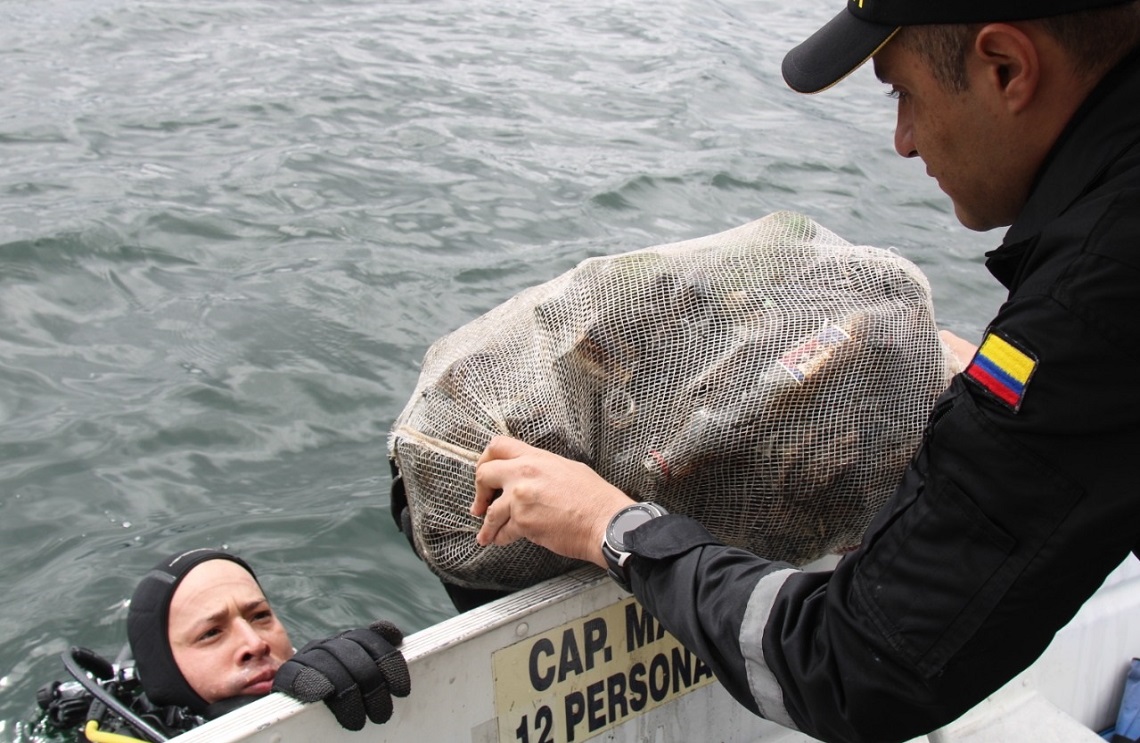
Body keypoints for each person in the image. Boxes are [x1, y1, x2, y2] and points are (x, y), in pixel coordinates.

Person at [469, 1, 1140, 742]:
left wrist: (610, 524)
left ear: (1005, 67)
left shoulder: (1095, 297)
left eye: (903, 93)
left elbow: (856, 663)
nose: (903, 141)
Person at [38, 548, 410, 740]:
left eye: (260, 616)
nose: (255, 643)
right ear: (166, 671)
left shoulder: (322, 672)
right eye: (211, 633)